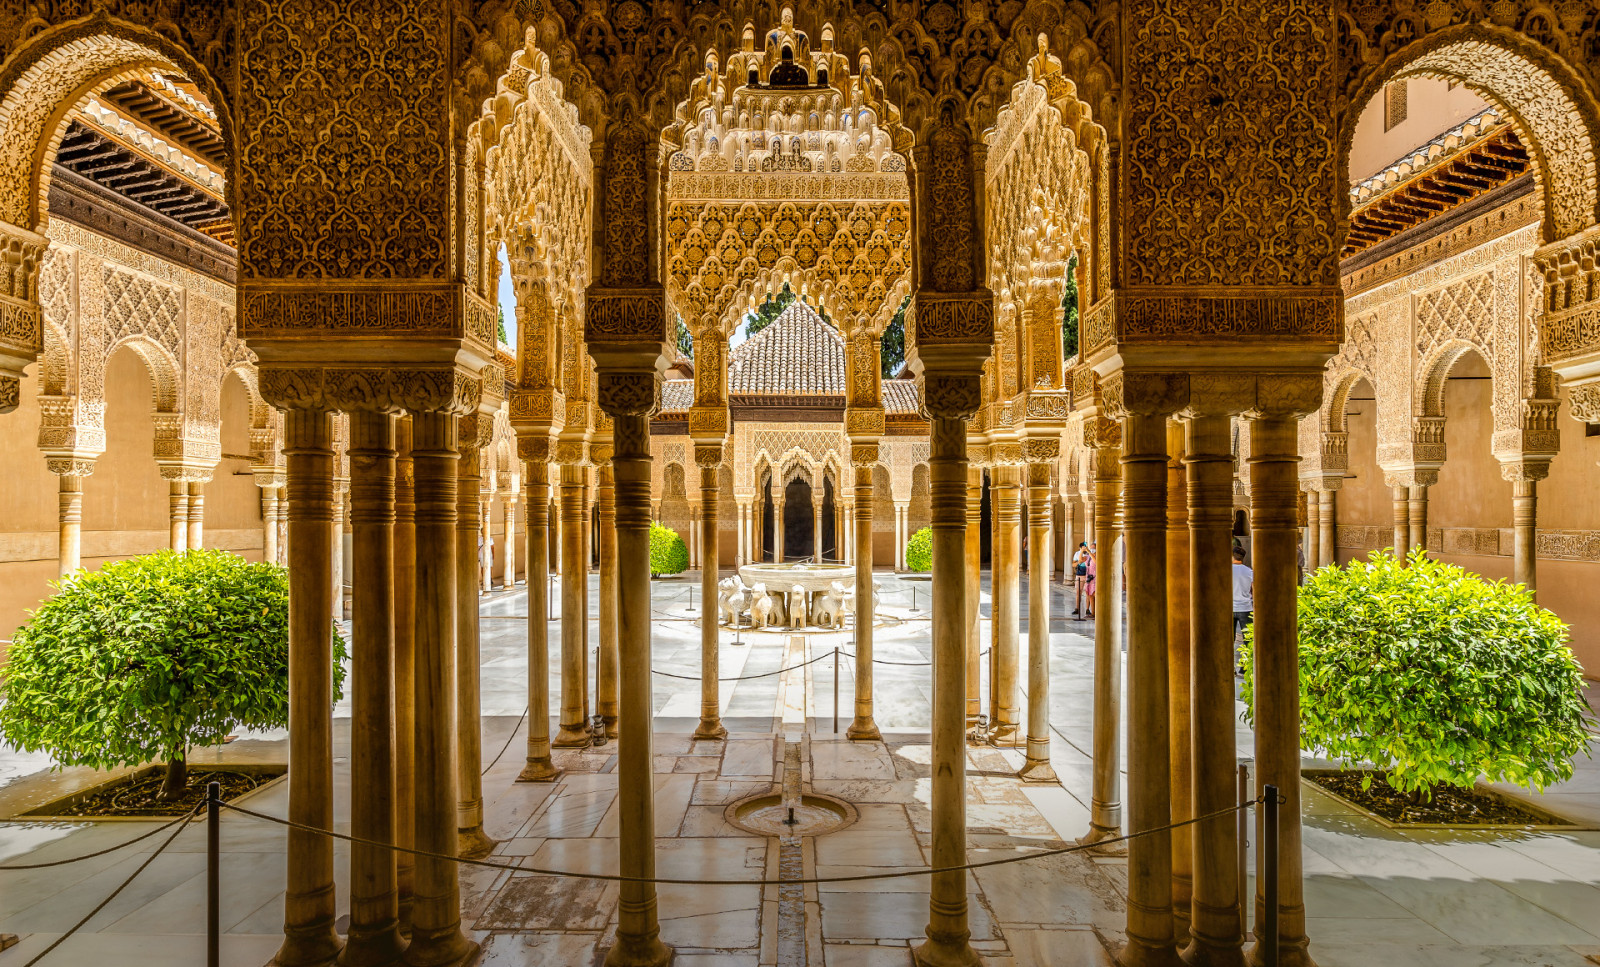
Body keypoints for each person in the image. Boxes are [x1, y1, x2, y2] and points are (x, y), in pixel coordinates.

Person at [1231, 546, 1253, 671]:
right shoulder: (1249, 571)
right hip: (1246, 607)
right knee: (1247, 640)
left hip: (1230, 607)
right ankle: (1245, 667)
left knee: (1230, 639)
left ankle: (1230, 668)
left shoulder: (1227, 570)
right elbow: (1254, 590)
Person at [1071, 541, 1090, 617]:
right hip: (1080, 574)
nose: (1085, 548)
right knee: (1078, 592)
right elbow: (1074, 564)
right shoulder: (1077, 553)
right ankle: (1077, 608)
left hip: (1088, 574)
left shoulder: (1089, 553)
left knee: (1088, 592)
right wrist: (1079, 561)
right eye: (1084, 547)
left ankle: (1087, 609)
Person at [1084, 544, 1097, 619]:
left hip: (1095, 578)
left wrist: (1089, 552)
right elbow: (1080, 561)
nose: (1092, 549)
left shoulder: (1096, 556)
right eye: (1091, 548)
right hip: (1089, 578)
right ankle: (1093, 613)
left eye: (1093, 548)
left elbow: (1096, 562)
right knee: (1090, 595)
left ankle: (1097, 612)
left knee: (1095, 595)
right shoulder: (1089, 557)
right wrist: (1083, 551)